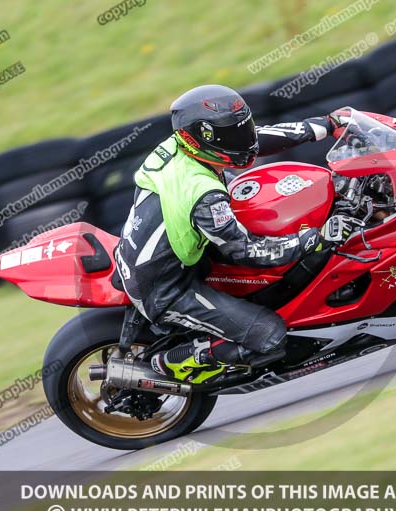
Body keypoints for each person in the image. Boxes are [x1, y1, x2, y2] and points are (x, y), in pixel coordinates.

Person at [115, 84, 358, 384]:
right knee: (270, 337)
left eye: (242, 128)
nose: (243, 140)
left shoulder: (178, 146)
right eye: (231, 135)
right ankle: (167, 364)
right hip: (166, 288)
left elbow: (255, 141)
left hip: (167, 253)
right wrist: (316, 239)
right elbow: (247, 251)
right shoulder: (204, 195)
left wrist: (324, 125)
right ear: (199, 139)